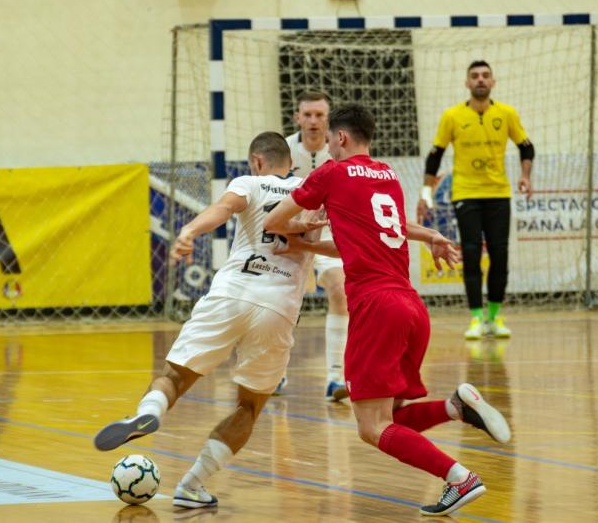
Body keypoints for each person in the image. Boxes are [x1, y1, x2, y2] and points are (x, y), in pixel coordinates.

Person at [264, 104, 512, 517]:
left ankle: (459, 478)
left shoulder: (331, 173)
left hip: (377, 308)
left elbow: (275, 220)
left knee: (371, 427)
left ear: (340, 138)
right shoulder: (388, 176)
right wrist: (310, 244)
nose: (326, 144)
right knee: (391, 417)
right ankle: (456, 407)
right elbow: (364, 237)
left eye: (328, 139)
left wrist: (307, 222)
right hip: (412, 308)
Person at [93, 132, 325, 510]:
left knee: (173, 377)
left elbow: (223, 208)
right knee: (248, 407)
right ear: (290, 162)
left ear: (256, 161)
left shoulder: (248, 182)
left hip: (230, 293)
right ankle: (192, 485)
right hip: (279, 305)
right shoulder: (310, 191)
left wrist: (189, 231)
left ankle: (147, 413)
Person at [417, 60, 534, 340]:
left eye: (485, 75)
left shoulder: (506, 114)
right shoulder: (452, 116)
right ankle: (476, 318)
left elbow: (526, 146)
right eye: (475, 76)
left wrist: (525, 176)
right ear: (467, 83)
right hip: (466, 194)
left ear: (493, 82)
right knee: (470, 254)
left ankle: (495, 317)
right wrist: (425, 195)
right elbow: (435, 156)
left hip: (498, 194)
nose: (480, 80)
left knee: (499, 254)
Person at [280, 90, 348, 402]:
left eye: (319, 115)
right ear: (297, 118)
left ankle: (336, 377)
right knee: (281, 303)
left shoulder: (340, 151)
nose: (313, 121)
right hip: (290, 231)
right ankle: (274, 373)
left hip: (329, 229)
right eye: (307, 115)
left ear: (328, 120)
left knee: (339, 288)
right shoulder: (284, 151)